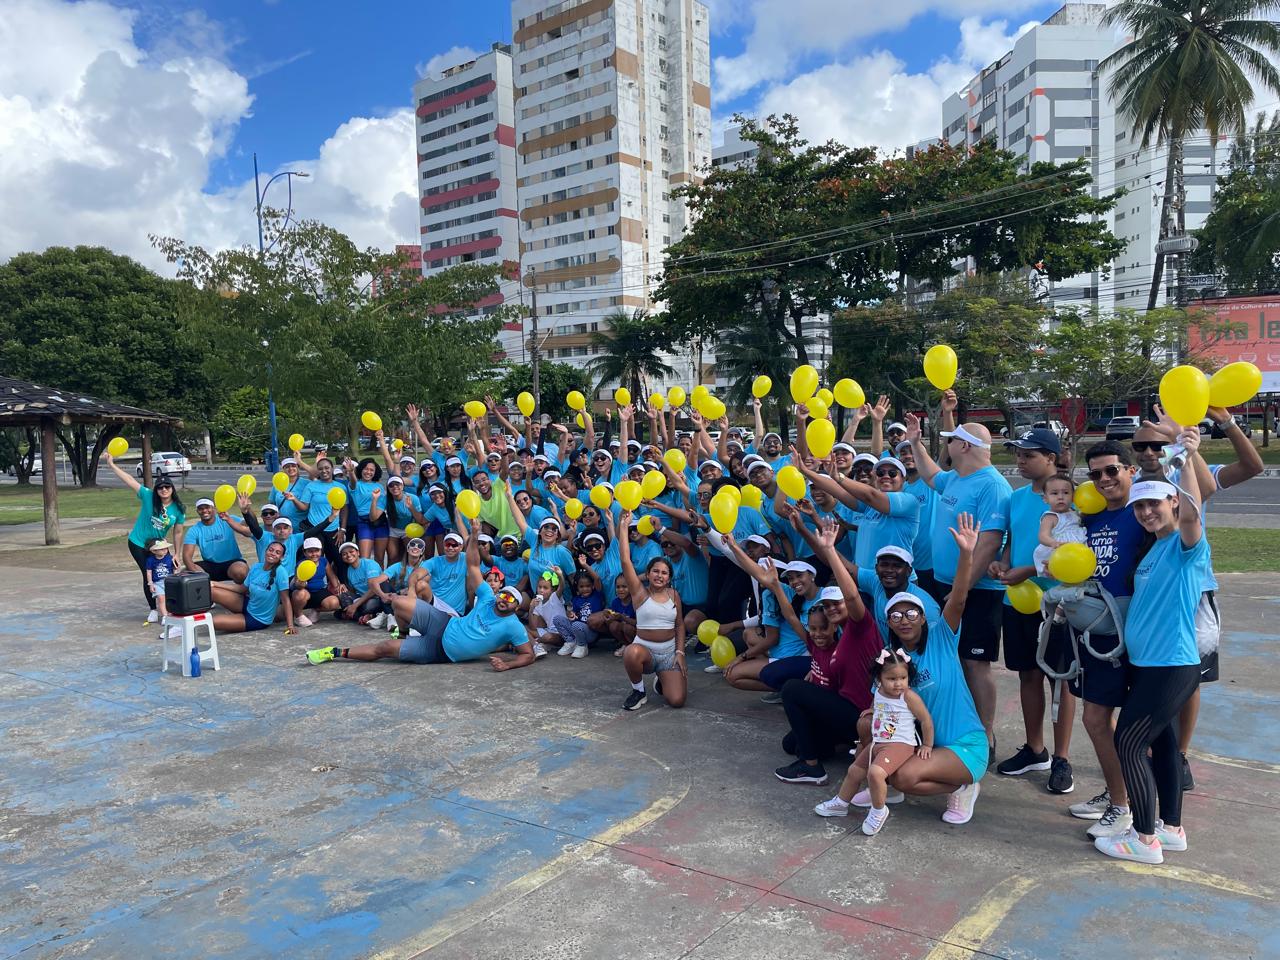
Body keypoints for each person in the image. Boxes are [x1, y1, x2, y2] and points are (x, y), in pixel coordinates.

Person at [1132, 402, 1262, 790]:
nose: (1150, 453)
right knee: (1148, 674)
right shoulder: (1134, 483)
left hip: (1193, 589)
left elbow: (1244, 471)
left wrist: (1212, 430)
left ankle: (1179, 755)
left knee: (1189, 678)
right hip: (1149, 587)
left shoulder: (1184, 469)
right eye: (1141, 446)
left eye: (1157, 445)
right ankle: (1154, 749)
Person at [1095, 431, 1208, 864]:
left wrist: (1189, 458)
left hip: (1170, 664)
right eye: (1139, 505)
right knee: (1161, 744)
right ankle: (1172, 828)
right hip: (1148, 664)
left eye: (1154, 504)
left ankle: (1144, 839)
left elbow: (1194, 515)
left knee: (1128, 741)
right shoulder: (1155, 549)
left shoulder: (1184, 546)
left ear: (1172, 504)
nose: (1145, 512)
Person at [859, 513, 987, 826]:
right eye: (896, 616)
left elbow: (957, 598)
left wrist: (967, 553)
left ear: (922, 617)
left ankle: (964, 785)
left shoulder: (942, 638)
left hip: (964, 743)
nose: (905, 619)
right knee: (867, 728)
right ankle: (883, 786)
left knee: (904, 775)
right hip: (923, 743)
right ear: (888, 623)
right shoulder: (892, 661)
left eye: (911, 613)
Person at [905, 414, 1011, 760]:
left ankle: (985, 735)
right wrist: (916, 443)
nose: (947, 445)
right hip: (944, 584)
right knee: (948, 658)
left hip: (976, 591)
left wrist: (962, 587)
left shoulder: (992, 485)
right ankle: (955, 724)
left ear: (964, 445)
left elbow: (990, 542)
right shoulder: (956, 478)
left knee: (974, 662)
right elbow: (931, 475)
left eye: (951, 440)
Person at [305, 522, 535, 670]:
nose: (505, 600)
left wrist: (508, 665)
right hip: (444, 622)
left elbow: (528, 654)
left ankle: (334, 652)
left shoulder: (513, 625)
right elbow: (474, 566)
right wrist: (474, 536)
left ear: (516, 607)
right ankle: (403, 633)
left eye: (511, 600)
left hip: (441, 652)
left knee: (384, 649)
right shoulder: (487, 597)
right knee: (398, 600)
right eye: (504, 595)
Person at [991, 428, 1077, 795]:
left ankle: (1061, 758)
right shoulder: (1015, 497)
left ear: (1052, 458)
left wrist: (1029, 570)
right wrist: (1002, 563)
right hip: (1018, 601)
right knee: (1027, 675)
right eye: (1018, 454)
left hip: (1059, 602)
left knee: (1062, 681)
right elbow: (1011, 540)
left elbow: (1075, 549)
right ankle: (1035, 749)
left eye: (1028, 455)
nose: (1020, 461)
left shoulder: (1068, 499)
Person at [1067, 440, 1144, 841]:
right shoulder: (1092, 520)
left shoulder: (1144, 514)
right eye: (1095, 474)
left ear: (1131, 470)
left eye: (1112, 470)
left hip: (1130, 634)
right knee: (1100, 718)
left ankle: (1123, 806)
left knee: (1098, 719)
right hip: (1094, 629)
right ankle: (1119, 793)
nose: (1104, 480)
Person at [767, 520, 884, 785]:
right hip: (843, 712)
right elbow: (794, 620)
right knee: (791, 743)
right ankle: (842, 745)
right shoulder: (834, 636)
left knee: (792, 689)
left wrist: (830, 551)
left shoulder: (860, 629)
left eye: (836, 604)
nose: (832, 608)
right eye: (826, 605)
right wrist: (775, 585)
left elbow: (853, 598)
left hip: (860, 714)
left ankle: (811, 768)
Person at [815, 648, 934, 836]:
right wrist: (872, 710)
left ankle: (879, 811)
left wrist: (927, 745)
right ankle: (841, 803)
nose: (898, 684)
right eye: (892, 679)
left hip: (900, 745)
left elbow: (926, 720)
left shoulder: (908, 696)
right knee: (854, 770)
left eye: (903, 678)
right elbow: (878, 704)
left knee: (876, 773)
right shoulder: (879, 691)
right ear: (879, 678)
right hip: (879, 743)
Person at [104, 451, 186, 622]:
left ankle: (168, 608)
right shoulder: (148, 496)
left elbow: (178, 532)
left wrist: (177, 554)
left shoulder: (178, 509)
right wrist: (112, 465)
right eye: (160, 488)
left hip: (159, 546)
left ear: (172, 489)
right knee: (149, 573)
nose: (164, 490)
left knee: (167, 573)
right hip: (138, 543)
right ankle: (153, 609)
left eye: (167, 487)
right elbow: (130, 481)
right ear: (156, 490)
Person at [618, 509, 687, 711]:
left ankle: (661, 680)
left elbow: (680, 624)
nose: (659, 575)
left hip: (668, 654)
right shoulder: (639, 592)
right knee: (631, 652)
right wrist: (623, 526)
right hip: (645, 651)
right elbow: (625, 560)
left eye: (664, 573)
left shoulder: (674, 595)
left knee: (677, 701)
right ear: (648, 574)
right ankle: (638, 691)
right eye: (655, 571)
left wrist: (680, 652)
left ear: (669, 577)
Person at [210, 540, 296, 635]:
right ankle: (235, 618)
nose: (273, 553)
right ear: (266, 551)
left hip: (257, 619)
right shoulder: (256, 567)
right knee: (211, 591)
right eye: (271, 550)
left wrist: (290, 625)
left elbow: (285, 599)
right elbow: (242, 589)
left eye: (278, 552)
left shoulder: (281, 572)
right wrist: (215, 583)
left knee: (212, 622)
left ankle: (236, 619)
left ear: (282, 557)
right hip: (248, 604)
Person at [181, 497, 250, 584]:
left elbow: (247, 524)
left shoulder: (226, 519)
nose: (204, 511)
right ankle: (207, 591)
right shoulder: (194, 530)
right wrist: (199, 575)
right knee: (185, 573)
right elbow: (186, 557)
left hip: (232, 563)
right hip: (210, 565)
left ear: (213, 508)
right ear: (197, 511)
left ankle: (242, 593)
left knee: (241, 571)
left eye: (207, 507)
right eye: (201, 508)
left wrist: (246, 511)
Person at [1034, 474, 1087, 577]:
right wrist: (1053, 543)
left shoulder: (1075, 512)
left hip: (1077, 550)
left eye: (1066, 493)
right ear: (1045, 498)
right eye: (1054, 493)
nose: (1060, 497)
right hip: (1060, 550)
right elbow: (1043, 536)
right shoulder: (1050, 517)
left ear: (1073, 497)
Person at [553, 568, 605, 658]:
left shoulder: (597, 595)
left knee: (577, 625)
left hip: (590, 633)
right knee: (557, 619)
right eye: (581, 587)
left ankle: (582, 646)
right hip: (577, 629)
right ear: (577, 587)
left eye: (588, 586)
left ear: (593, 586)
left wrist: (584, 565)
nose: (585, 589)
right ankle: (571, 642)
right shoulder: (576, 599)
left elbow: (597, 579)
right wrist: (571, 614)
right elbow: (574, 615)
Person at [290, 537, 341, 625]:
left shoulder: (323, 561)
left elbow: (331, 575)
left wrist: (337, 587)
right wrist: (301, 584)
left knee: (335, 603)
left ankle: (316, 609)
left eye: (316, 550)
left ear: (321, 551)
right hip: (305, 592)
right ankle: (298, 616)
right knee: (300, 594)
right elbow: (297, 584)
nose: (314, 554)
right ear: (305, 552)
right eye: (310, 551)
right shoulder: (301, 564)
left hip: (319, 591)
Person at [144, 538, 176, 630]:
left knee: (170, 599)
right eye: (162, 549)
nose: (165, 550)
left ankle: (171, 613)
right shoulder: (150, 560)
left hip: (169, 582)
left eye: (166, 548)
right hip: (157, 583)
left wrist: (176, 579)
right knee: (161, 599)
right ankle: (165, 616)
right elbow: (149, 572)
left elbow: (174, 570)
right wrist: (150, 584)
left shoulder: (170, 558)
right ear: (154, 551)